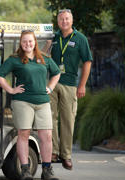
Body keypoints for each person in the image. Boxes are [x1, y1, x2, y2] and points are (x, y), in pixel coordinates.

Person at [0, 30, 61, 180]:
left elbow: (56, 73)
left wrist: (50, 87)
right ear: (20, 43)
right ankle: (25, 169)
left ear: (35, 42)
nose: (28, 44)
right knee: (23, 134)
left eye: (30, 41)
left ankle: (47, 170)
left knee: (47, 136)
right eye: (24, 41)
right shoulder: (15, 59)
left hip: (43, 101)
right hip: (23, 101)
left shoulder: (44, 58)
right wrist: (10, 89)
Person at [50, 9, 93, 170]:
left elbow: (87, 62)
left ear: (72, 20)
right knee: (50, 118)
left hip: (70, 84)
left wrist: (82, 85)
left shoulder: (80, 39)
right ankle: (53, 151)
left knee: (68, 120)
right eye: (61, 19)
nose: (64, 22)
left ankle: (66, 155)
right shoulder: (53, 37)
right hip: (52, 83)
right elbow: (44, 56)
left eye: (67, 19)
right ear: (58, 22)